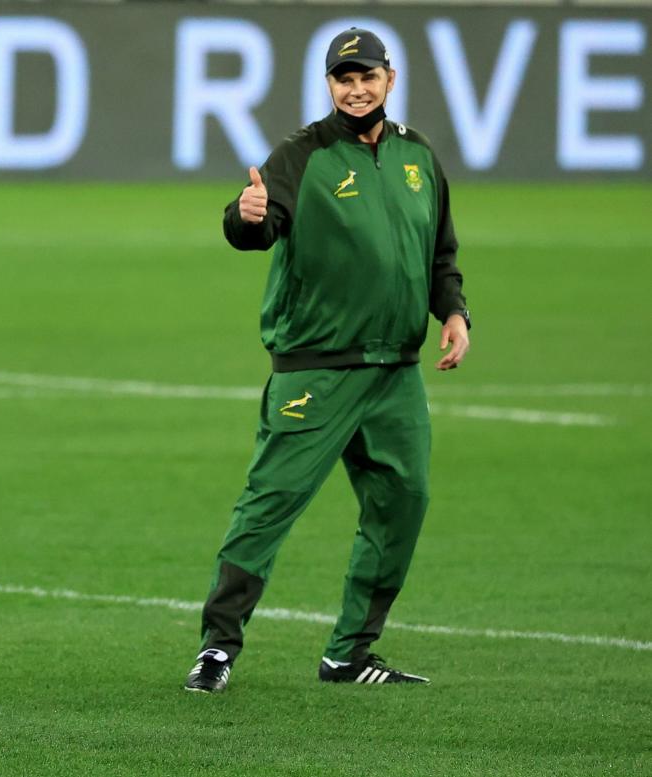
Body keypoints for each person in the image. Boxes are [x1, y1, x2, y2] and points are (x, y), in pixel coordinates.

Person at [183, 27, 471, 693]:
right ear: (330, 85)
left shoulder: (417, 155)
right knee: (270, 504)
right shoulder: (301, 155)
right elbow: (254, 225)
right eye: (345, 78)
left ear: (389, 79)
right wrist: (245, 214)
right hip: (317, 367)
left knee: (404, 502)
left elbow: (439, 252)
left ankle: (350, 651)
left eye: (367, 75)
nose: (357, 87)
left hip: (395, 372)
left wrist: (452, 312)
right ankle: (218, 648)